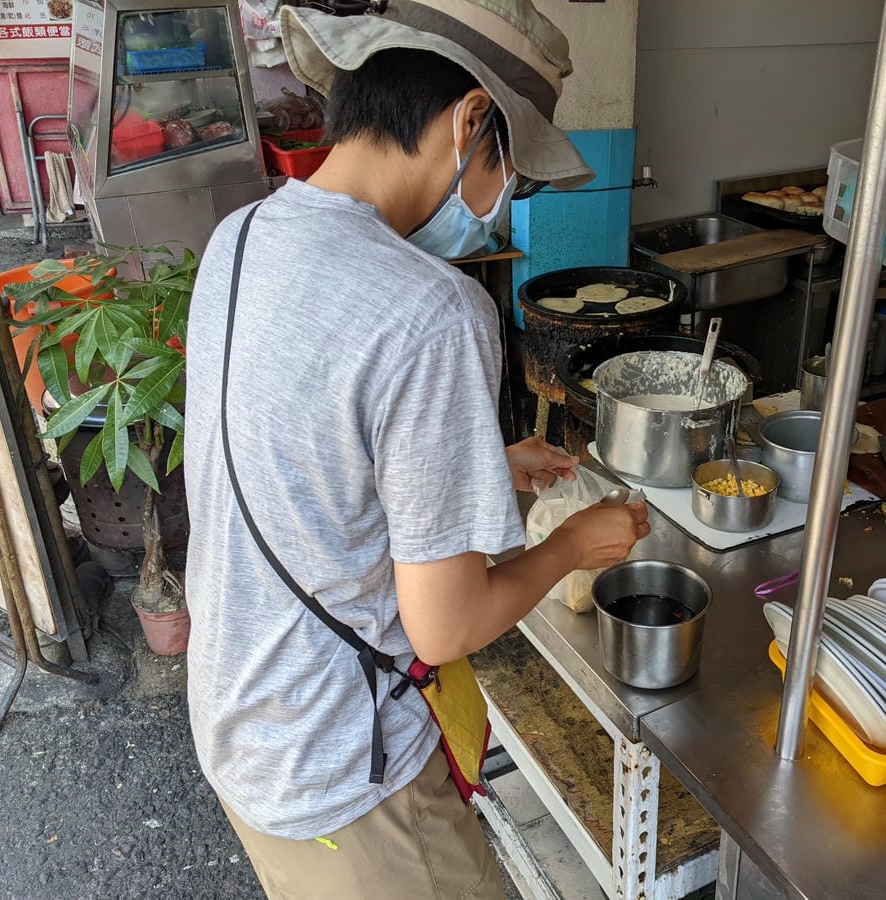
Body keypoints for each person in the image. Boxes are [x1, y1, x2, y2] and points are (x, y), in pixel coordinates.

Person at [181, 1, 649, 897]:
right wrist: (571, 548)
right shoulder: (432, 310)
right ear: (471, 120)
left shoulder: (240, 239)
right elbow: (446, 626)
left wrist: (478, 468)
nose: (505, 198)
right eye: (511, 166)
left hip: (242, 716)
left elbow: (295, 462)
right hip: (345, 779)